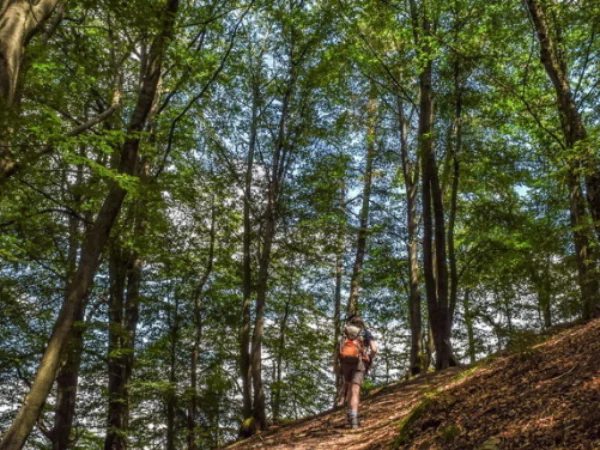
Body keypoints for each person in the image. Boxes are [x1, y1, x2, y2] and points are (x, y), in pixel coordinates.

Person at [337, 315, 377, 429]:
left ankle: (349, 418)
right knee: (355, 391)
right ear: (362, 324)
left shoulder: (345, 333)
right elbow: (374, 349)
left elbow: (338, 347)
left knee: (349, 390)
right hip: (360, 363)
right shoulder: (365, 333)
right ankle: (354, 420)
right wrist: (369, 357)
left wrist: (337, 364)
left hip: (345, 362)